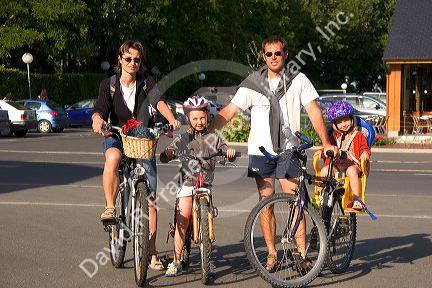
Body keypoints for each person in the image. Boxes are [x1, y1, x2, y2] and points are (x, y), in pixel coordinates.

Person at [208, 35, 337, 271]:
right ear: (263, 56)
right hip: (261, 151)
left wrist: (325, 142)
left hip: (290, 150)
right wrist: (207, 132)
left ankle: (301, 253)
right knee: (266, 203)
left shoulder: (298, 80)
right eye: (269, 54)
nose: (273, 58)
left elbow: (314, 111)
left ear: (285, 55)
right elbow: (230, 111)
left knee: (295, 203)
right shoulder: (252, 83)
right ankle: (271, 253)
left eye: (278, 53)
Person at [91, 40, 181, 271]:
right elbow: (100, 108)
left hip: (141, 139)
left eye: (137, 59)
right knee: (112, 157)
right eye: (128, 58)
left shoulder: (145, 82)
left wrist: (170, 119)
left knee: (150, 201)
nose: (132, 63)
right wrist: (97, 119)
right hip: (117, 134)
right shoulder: (108, 84)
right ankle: (111, 208)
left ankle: (151, 252)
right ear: (120, 59)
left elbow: (158, 100)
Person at [160, 95, 236, 277]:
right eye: (195, 118)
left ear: (208, 116)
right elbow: (168, 152)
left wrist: (229, 152)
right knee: (183, 217)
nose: (199, 121)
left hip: (205, 184)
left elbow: (224, 147)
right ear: (188, 119)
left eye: (202, 117)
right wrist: (169, 153)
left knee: (208, 215)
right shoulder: (184, 138)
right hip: (187, 182)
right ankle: (176, 260)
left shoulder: (213, 137)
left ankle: (206, 258)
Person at [315, 101, 371, 211]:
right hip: (338, 166)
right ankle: (320, 195)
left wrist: (365, 153)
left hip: (353, 165)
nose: (344, 124)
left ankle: (357, 199)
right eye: (339, 122)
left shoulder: (358, 135)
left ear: (352, 119)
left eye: (346, 120)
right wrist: (322, 152)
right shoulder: (334, 136)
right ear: (335, 124)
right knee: (324, 171)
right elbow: (328, 148)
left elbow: (365, 148)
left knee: (351, 171)